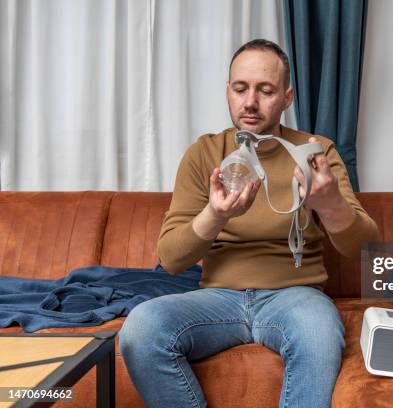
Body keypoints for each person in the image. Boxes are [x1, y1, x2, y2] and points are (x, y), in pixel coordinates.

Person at [119, 38, 379, 408]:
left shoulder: (315, 152)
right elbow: (171, 258)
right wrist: (216, 215)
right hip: (217, 300)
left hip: (294, 297)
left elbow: (364, 249)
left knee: (318, 333)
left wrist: (331, 204)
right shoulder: (204, 153)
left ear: (287, 97)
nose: (250, 102)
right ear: (228, 91)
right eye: (240, 89)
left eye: (265, 90)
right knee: (142, 328)